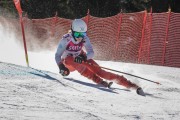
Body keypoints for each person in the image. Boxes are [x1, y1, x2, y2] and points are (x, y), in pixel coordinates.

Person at [55, 19, 145, 96]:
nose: (80, 37)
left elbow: (91, 52)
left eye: (82, 34)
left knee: (100, 71)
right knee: (70, 59)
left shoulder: (85, 38)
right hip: (67, 63)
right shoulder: (66, 39)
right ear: (73, 32)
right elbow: (57, 55)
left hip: (80, 59)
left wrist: (84, 57)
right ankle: (98, 80)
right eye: (78, 35)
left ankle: (130, 85)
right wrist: (61, 67)